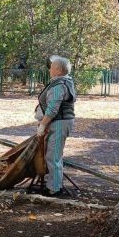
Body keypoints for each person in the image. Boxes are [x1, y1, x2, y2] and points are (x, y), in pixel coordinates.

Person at [35, 55, 76, 197]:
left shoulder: (59, 85)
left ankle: (55, 189)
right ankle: (53, 185)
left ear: (58, 70)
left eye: (51, 68)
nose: (49, 70)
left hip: (59, 123)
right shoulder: (63, 82)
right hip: (58, 122)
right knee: (53, 155)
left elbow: (52, 109)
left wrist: (42, 125)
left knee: (53, 156)